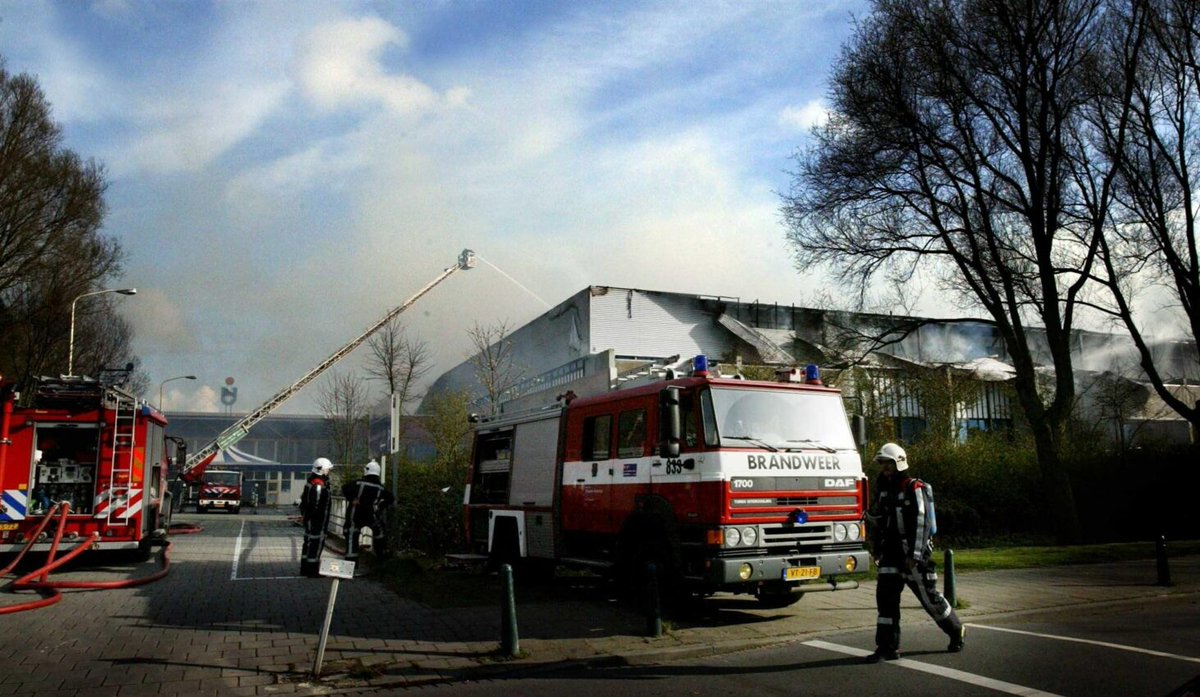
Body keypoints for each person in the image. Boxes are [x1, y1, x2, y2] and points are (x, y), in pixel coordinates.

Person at [866, 442, 965, 662]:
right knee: (886, 600)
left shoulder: (915, 487)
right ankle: (886, 648)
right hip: (891, 554)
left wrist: (915, 555)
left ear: (899, 463)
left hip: (913, 556)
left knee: (930, 599)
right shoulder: (883, 490)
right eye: (883, 464)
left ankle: (956, 630)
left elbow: (922, 523)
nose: (884, 468)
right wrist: (877, 550)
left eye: (888, 464)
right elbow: (881, 523)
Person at [342, 459, 394, 561]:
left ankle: (350, 564)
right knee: (380, 532)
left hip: (355, 515)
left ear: (366, 471)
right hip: (371, 515)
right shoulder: (380, 488)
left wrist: (352, 499)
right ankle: (381, 557)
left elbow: (345, 488)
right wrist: (380, 506)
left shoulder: (358, 483)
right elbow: (391, 498)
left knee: (352, 536)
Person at [299, 457, 334, 577]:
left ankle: (305, 568)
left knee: (308, 543)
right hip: (317, 522)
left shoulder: (311, 482)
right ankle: (312, 571)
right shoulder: (319, 485)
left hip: (310, 520)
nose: (329, 472)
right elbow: (316, 505)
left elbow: (304, 502)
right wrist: (317, 521)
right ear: (322, 470)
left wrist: (305, 516)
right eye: (328, 470)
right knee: (316, 544)